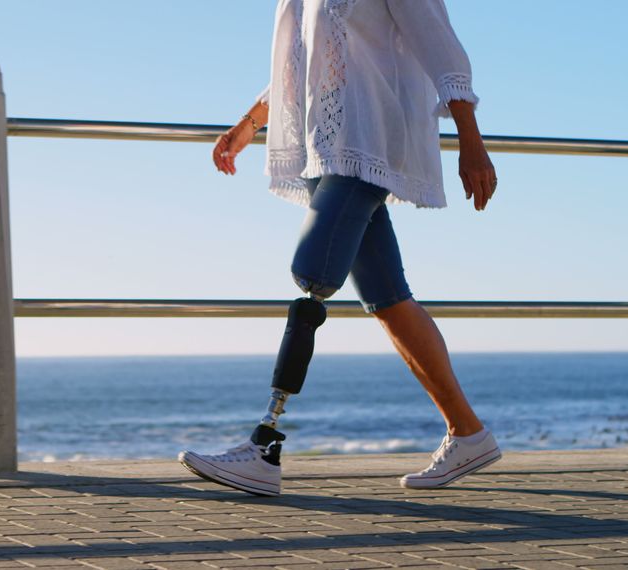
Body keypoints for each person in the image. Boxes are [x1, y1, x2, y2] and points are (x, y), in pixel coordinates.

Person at [179, 0, 500, 497]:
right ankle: (468, 433)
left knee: (313, 272)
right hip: (322, 146)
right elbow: (303, 63)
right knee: (389, 299)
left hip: (367, 139)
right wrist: (249, 123)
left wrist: (470, 140)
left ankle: (264, 446)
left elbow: (443, 49)